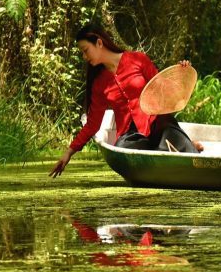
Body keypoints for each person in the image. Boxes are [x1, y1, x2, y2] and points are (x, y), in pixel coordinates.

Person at [49, 21, 199, 178]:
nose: (84, 57)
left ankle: (184, 145)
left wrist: (181, 74)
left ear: (99, 43)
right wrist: (68, 153)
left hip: (156, 123)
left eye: (86, 50)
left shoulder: (138, 59)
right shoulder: (99, 83)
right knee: (124, 150)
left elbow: (162, 89)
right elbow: (93, 124)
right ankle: (172, 147)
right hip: (131, 135)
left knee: (171, 134)